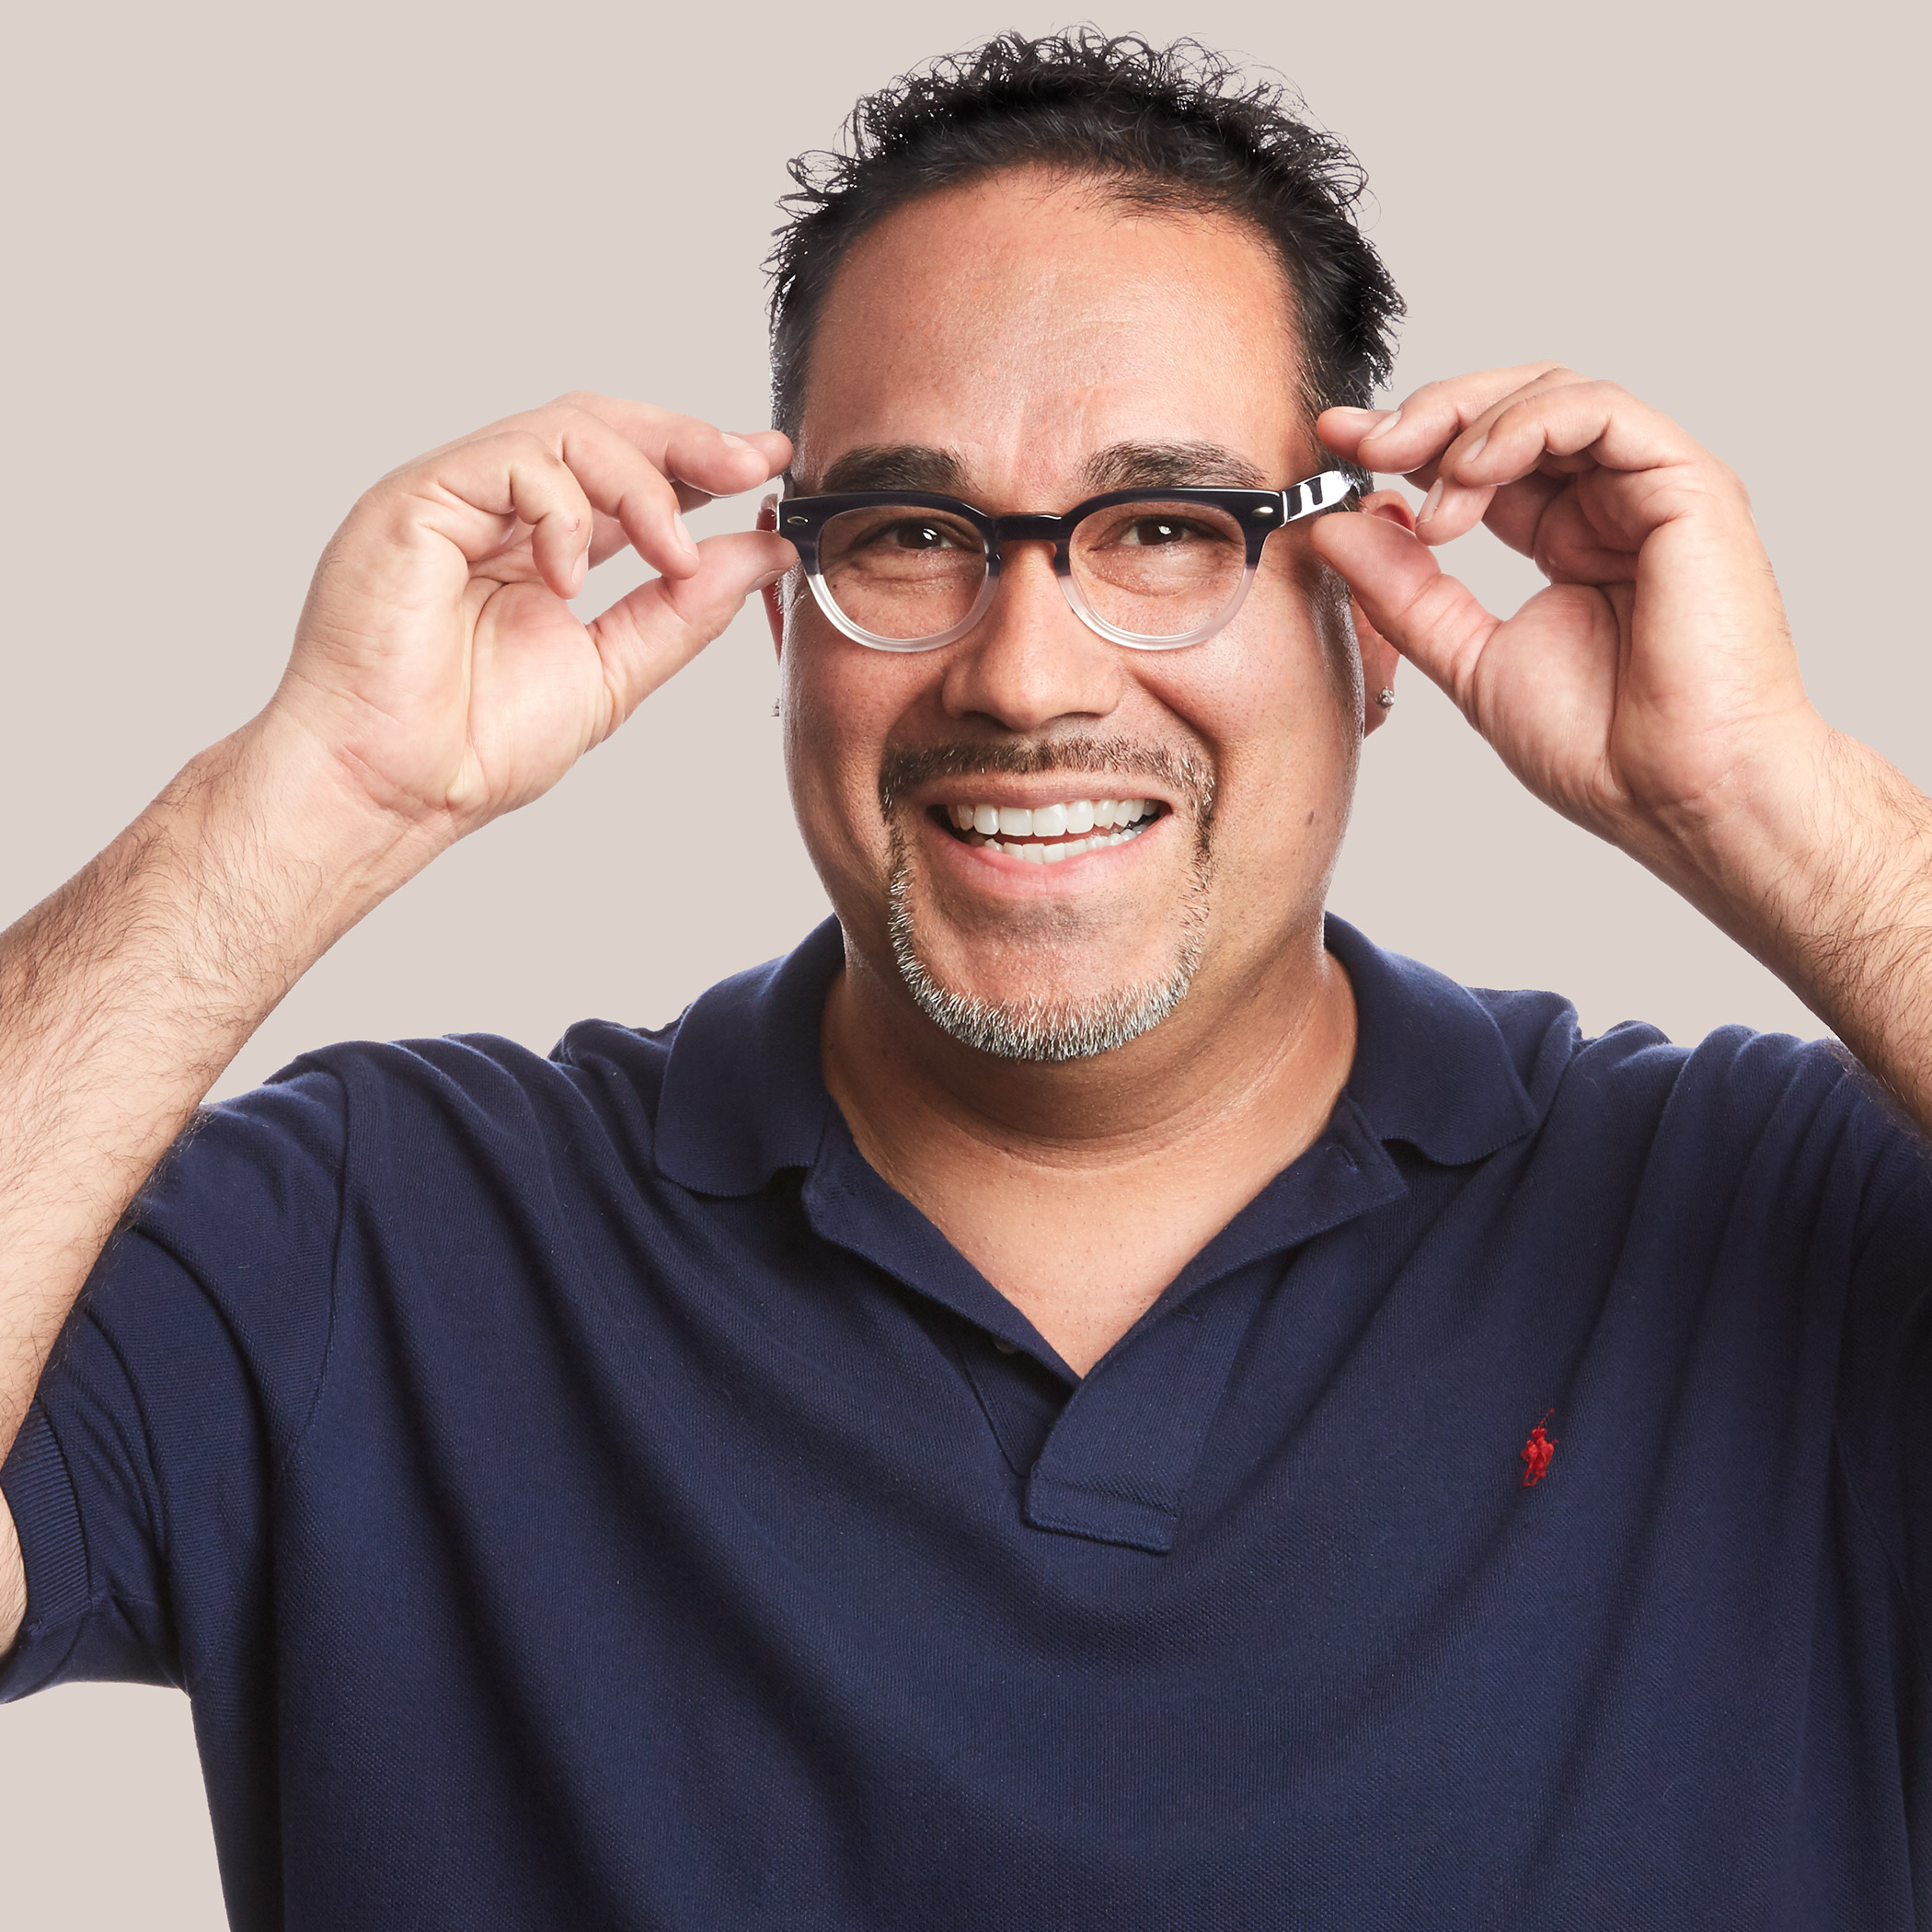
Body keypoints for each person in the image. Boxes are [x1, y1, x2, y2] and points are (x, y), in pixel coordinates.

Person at [2, 28, 1927, 1928]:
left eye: (1168, 529)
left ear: (1376, 622)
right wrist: (301, 801)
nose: (1026, 674)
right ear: (782, 614)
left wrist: (1772, 810)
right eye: (913, 536)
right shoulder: (374, 1237)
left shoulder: (1793, 1213)